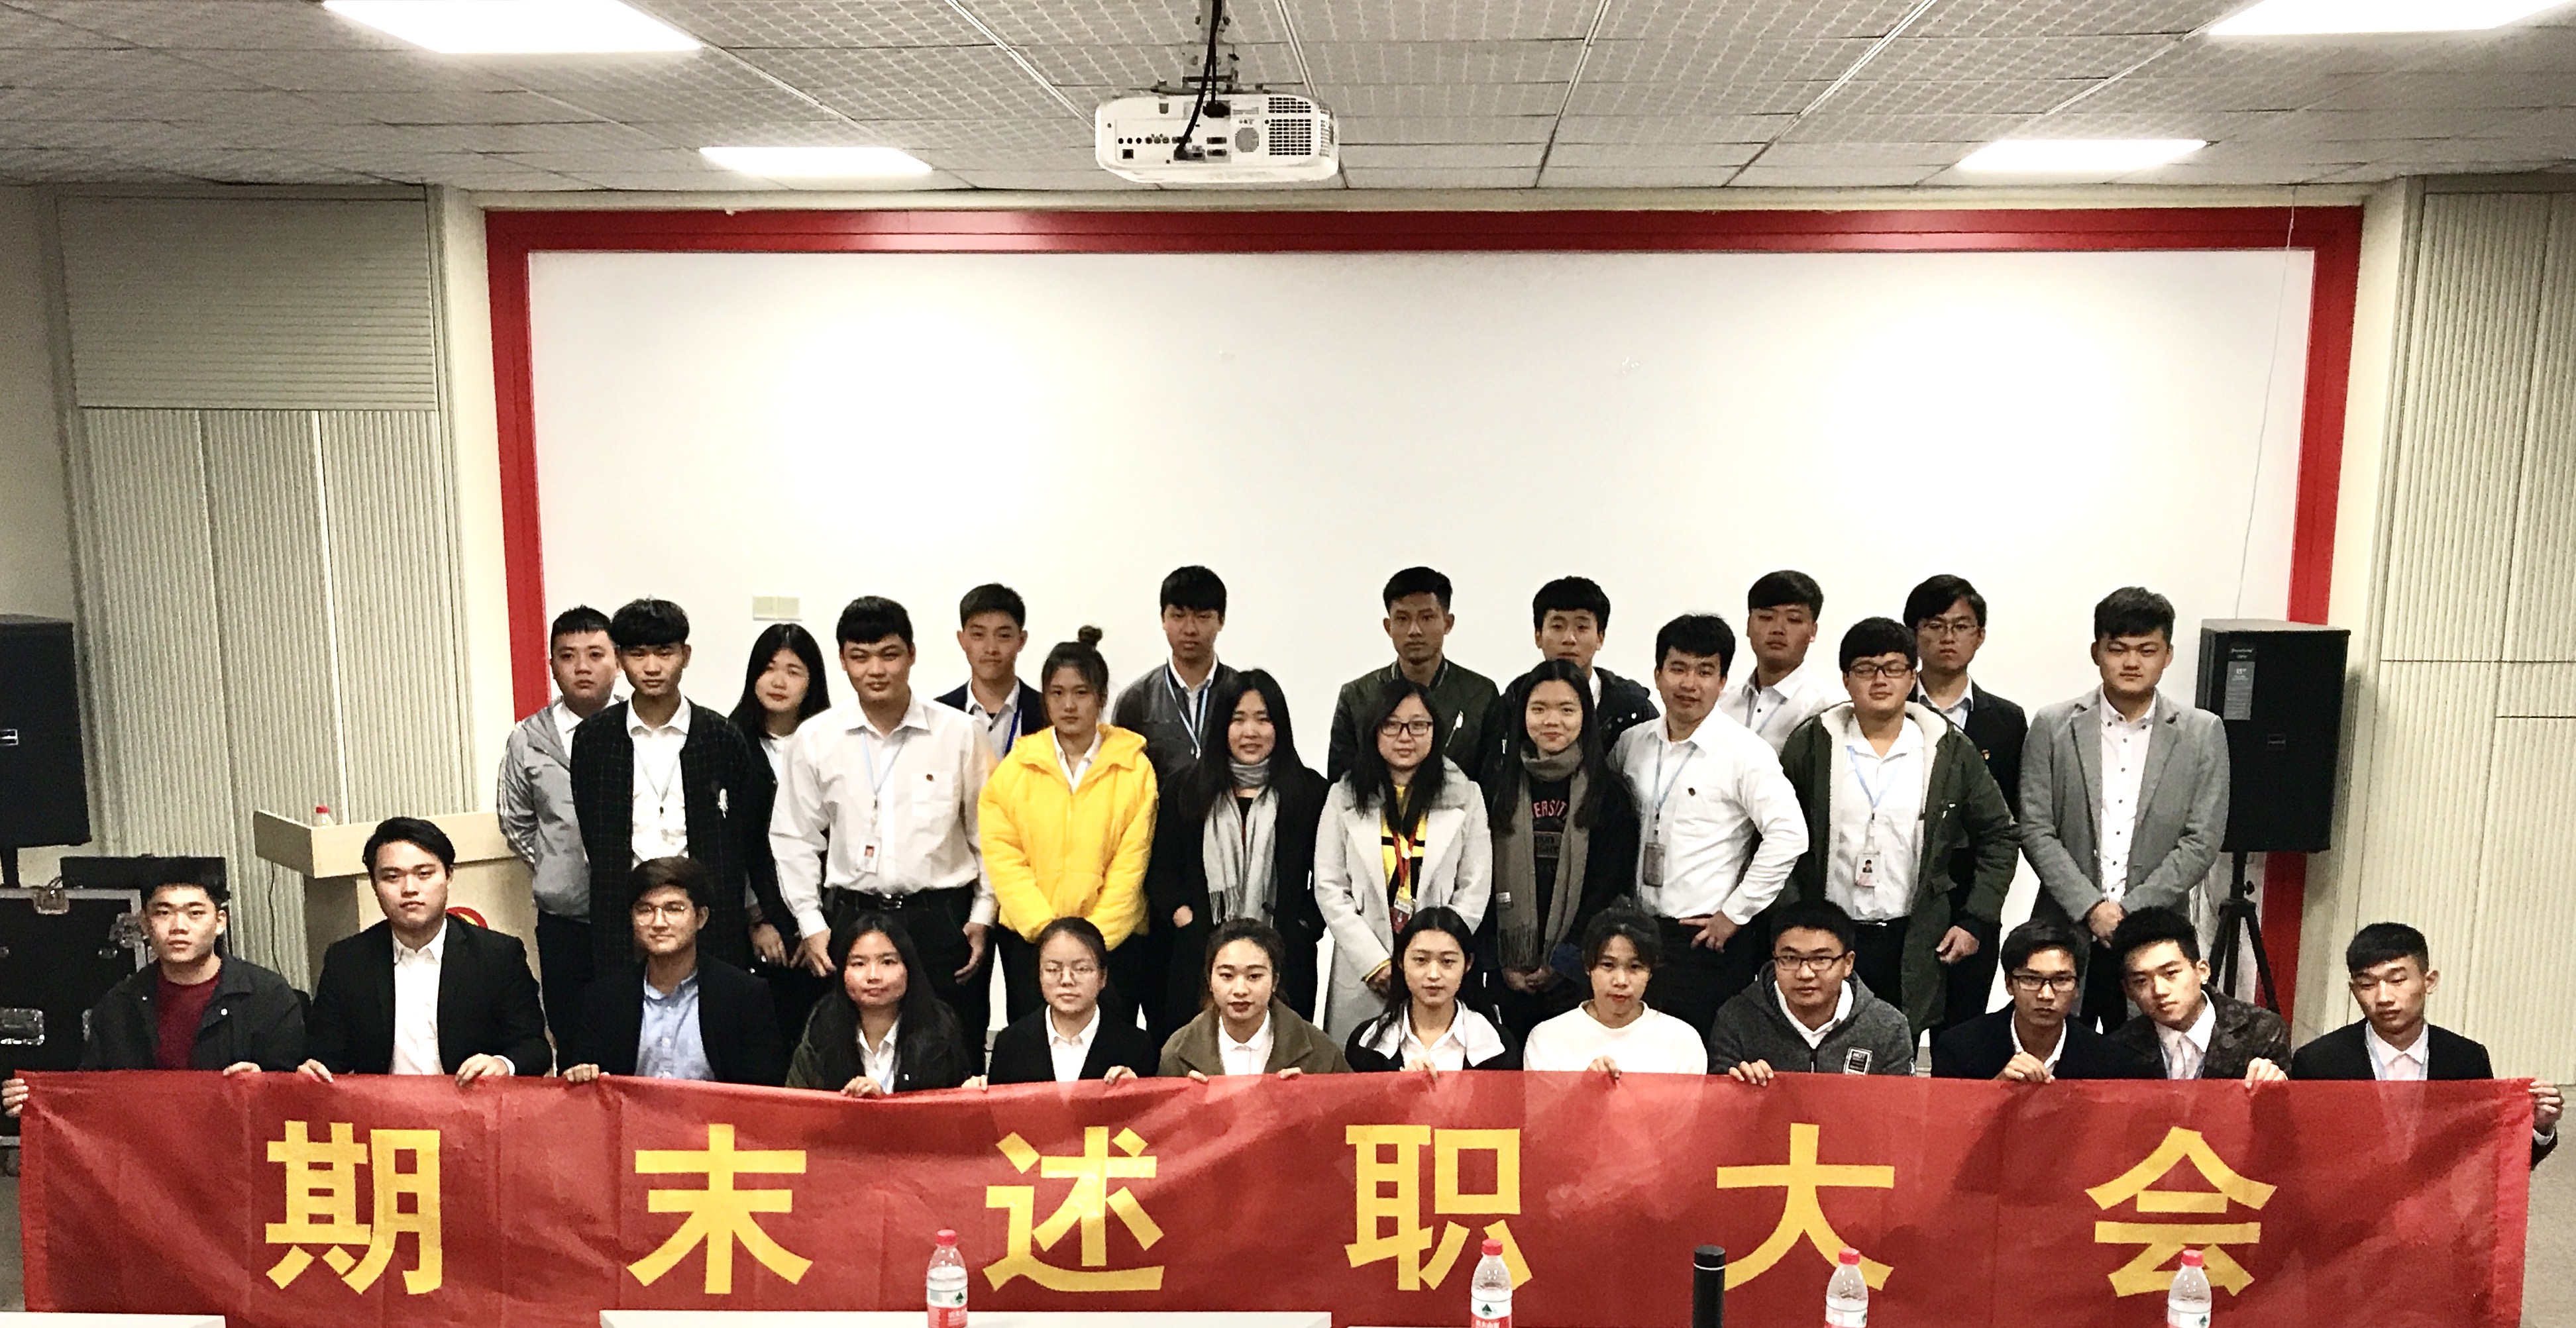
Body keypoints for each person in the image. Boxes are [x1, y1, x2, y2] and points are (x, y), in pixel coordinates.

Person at [771, 596, 994, 1064]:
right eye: (860, 656)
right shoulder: (816, 738)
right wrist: (811, 922)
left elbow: (989, 832)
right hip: (852, 916)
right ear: (842, 660)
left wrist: (983, 912)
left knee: (953, 1051)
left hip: (941, 918)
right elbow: (794, 836)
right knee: (850, 1052)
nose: (876, 670)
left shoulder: (960, 733)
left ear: (911, 654)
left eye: (889, 655)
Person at [1774, 618, 2016, 1034]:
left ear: (1912, 677)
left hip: (1914, 936)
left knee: (1900, 1043)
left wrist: (1976, 918)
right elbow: (1774, 835)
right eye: (1866, 669)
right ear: (1846, 679)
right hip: (1828, 937)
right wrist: (1792, 917)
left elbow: (2000, 834)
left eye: (1893, 668)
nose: (1880, 680)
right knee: (1823, 1042)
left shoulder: (1947, 748)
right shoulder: (1812, 745)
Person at [2019, 587, 2230, 1032]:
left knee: (2147, 1053)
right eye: (2118, 649)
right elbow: (2036, 828)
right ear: (2096, 652)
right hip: (2065, 928)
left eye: (2146, 650)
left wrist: (2130, 910)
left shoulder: (2201, 733)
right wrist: (2091, 907)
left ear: (2168, 655)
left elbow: (2202, 840)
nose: (2132, 662)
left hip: (2155, 935)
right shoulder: (2053, 725)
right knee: (2062, 1054)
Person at [1611, 613, 1807, 1033]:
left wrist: (1735, 913)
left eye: (1705, 671)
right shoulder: (1633, 743)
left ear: (1722, 682)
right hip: (1637, 932)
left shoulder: (1745, 752)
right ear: (1658, 674)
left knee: (1699, 1055)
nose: (1689, 684)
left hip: (1704, 938)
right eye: (1678, 668)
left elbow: (1790, 834)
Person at [570, 597, 785, 972]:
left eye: (664, 653)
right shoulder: (594, 739)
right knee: (625, 1004)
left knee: (713, 1005)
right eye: (638, 654)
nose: (652, 667)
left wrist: (760, 914)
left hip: (710, 914)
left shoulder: (721, 737)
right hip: (625, 916)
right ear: (619, 659)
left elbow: (748, 835)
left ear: (685, 655)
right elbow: (594, 832)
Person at [2, 868, 303, 1117]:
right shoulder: (120, 1004)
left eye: (195, 913)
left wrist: (266, 1083)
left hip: (238, 1150)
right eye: (163, 913)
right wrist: (39, 1099)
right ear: (145, 924)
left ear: (220, 922)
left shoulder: (268, 996)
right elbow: (94, 1094)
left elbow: (301, 1093)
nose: (178, 927)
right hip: (150, 1157)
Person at [983, 627, 1159, 1021]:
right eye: (1057, 693)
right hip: (1031, 944)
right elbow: (1003, 857)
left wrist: (1090, 944)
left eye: (1081, 693)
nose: (1069, 705)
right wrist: (1047, 934)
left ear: (1101, 698)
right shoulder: (1016, 768)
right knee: (1033, 1048)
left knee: (1108, 1050)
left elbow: (1131, 865)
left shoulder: (1134, 769)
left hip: (1112, 946)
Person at [1145, 670, 1330, 1036]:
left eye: (1263, 719)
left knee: (1282, 1054)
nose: (1250, 732)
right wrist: (1187, 920)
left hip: (1284, 958)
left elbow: (1329, 874)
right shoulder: (1187, 789)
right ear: (1221, 726)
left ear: (1280, 726)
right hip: (1199, 956)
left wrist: (1304, 925)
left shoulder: (1308, 792)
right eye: (1238, 719)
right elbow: (1161, 872)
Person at [299, 817, 550, 1082]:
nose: (409, 889)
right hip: (383, 1106)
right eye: (392, 877)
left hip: (471, 1103)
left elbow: (534, 1048)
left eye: (424, 874)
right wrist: (315, 1069)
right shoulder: (348, 961)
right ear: (374, 884)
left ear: (448, 876)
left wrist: (503, 1064)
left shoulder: (497, 955)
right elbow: (327, 1054)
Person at [1315, 676, 1493, 1041]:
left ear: (1435, 731)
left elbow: (1474, 887)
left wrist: (1434, 956)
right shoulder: (1343, 795)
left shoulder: (1466, 794)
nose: (1405, 737)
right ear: (1374, 731)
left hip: (1437, 970)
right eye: (1392, 725)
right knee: (1361, 1065)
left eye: (1418, 726)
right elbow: (1330, 887)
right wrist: (1375, 963)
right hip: (1364, 970)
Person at [2290, 923, 2559, 1165]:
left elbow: (2489, 1158)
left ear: (2429, 981)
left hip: (2443, 1204)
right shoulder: (2319, 1063)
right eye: (2367, 984)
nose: (2383, 997)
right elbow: (2299, 1162)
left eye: (2397, 980)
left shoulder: (2466, 1059)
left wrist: (2539, 1127)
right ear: (2353, 989)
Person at [1480, 657, 1638, 1037]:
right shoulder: (1495, 788)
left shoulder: (1609, 795)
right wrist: (1502, 963)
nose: (1552, 721)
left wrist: (1562, 962)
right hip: (1506, 975)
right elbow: (1478, 879)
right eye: (1539, 709)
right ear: (1522, 716)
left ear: (1585, 716)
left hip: (1579, 974)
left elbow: (1607, 890)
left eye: (1567, 710)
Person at [1903, 574, 2027, 1033]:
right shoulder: (1885, 710)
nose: (1948, 637)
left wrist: (1979, 914)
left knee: (1963, 1033)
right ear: (1914, 633)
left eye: (1961, 626)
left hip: (1971, 899)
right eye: (1935, 625)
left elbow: (2006, 827)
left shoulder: (2006, 721)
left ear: (1980, 636)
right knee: (1892, 1031)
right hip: (1900, 896)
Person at [496, 603, 619, 1052]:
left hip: (634, 912)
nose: (582, 667)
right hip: (564, 918)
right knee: (572, 1035)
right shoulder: (529, 738)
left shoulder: (637, 731)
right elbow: (516, 821)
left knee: (632, 1031)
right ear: (552, 665)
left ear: (618, 662)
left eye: (595, 654)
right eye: (568, 656)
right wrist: (557, 864)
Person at [562, 856, 786, 1087]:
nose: (659, 922)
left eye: (674, 909)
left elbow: (764, 1091)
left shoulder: (744, 995)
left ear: (701, 917)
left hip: (715, 1112)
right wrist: (582, 1074)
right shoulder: (605, 998)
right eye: (645, 910)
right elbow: (586, 1079)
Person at [727, 620, 835, 1045]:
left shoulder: (831, 743)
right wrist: (756, 921)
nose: (779, 681)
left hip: (826, 923)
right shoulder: (730, 743)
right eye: (769, 668)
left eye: (793, 671)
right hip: (758, 923)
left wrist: (817, 925)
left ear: (812, 682)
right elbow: (730, 846)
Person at [1709, 898, 1916, 1082]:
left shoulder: (1888, 1026)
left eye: (1821, 959)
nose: (1805, 973)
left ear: (1848, 963)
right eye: (1790, 958)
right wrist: (1741, 1088)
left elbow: (1901, 1107)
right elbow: (1719, 1105)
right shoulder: (1736, 1019)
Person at [1328, 566, 1499, 781]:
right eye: (1402, 619)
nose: (1414, 631)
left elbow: (1493, 785)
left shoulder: (1480, 695)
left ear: (1448, 623)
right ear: (1388, 627)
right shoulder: (1357, 697)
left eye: (1427, 618)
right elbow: (1340, 786)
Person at [1931, 919, 2155, 1081]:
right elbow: (1950, 1128)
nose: (2046, 995)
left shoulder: (2109, 1060)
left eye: (2061, 980)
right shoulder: (1959, 1048)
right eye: (2031, 979)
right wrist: (1997, 1092)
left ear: (2077, 987)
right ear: (2009, 983)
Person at [784, 913, 977, 1096]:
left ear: (909, 968)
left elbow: (951, 1111)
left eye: (888, 962)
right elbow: (798, 1109)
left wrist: (971, 1093)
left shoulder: (939, 1025)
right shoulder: (822, 1025)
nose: (873, 976)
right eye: (859, 964)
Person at [1481, 576, 1657, 774]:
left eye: (1582, 627)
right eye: (1557, 627)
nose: (1569, 639)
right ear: (1538, 636)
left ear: (1600, 637)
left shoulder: (1631, 709)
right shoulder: (1511, 705)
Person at [2104, 907, 2288, 1085]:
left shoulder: (2260, 1030)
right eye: (2141, 981)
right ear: (2128, 990)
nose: (2159, 990)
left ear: (2202, 971)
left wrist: (2276, 1086)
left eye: (2171, 973)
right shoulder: (2120, 1048)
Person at [1521, 909, 1707, 1076]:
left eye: (1635, 967)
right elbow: (1542, 1106)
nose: (1621, 981)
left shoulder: (1683, 1041)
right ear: (1588, 965)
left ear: (1651, 970)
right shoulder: (1547, 1039)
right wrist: (1584, 1089)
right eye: (1608, 965)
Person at [977, 917, 1159, 1086]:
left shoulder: (1136, 1046)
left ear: (1103, 977)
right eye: (1053, 969)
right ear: (1039, 975)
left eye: (1081, 969)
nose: (1066, 980)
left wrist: (1134, 1090)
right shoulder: (1011, 1044)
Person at [1159, 918, 1348, 1078]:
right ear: (1210, 981)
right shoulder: (1178, 1052)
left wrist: (1311, 1097)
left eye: (1254, 976)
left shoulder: (1320, 1051)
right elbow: (1161, 1109)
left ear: (1274, 981)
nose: (1240, 990)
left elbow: (1352, 1104)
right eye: (1227, 976)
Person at [1345, 907, 1519, 1072]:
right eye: (1421, 960)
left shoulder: (1498, 1045)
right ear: (1400, 961)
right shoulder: (1366, 1043)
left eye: (1447, 961)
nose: (1433, 974)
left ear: (1468, 963)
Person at [1112, 565, 1238, 781]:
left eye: (1203, 617)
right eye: (1178, 616)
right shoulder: (1136, 700)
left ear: (1221, 620)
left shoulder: (1241, 692)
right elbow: (1119, 779)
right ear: (1163, 619)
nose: (1190, 629)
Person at [1718, 571, 1838, 752]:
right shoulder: (1721, 704)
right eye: (1766, 617)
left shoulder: (1827, 710)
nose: (1778, 629)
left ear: (1813, 632)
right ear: (1749, 625)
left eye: (1793, 620)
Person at [937, 583, 1048, 762]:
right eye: (978, 635)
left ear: (1021, 640)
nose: (991, 648)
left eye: (1003, 636)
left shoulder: (1047, 713)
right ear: (962, 639)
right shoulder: (940, 715)